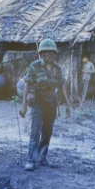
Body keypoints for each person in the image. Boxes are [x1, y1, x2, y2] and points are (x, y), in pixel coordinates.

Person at [19, 39, 71, 171]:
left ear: (54, 53)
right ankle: (31, 159)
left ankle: (42, 157)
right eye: (45, 52)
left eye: (50, 52)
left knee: (47, 131)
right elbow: (27, 86)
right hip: (38, 101)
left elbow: (62, 86)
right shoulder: (34, 66)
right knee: (35, 131)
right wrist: (23, 105)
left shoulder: (58, 69)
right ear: (41, 53)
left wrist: (68, 105)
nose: (47, 54)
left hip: (52, 102)